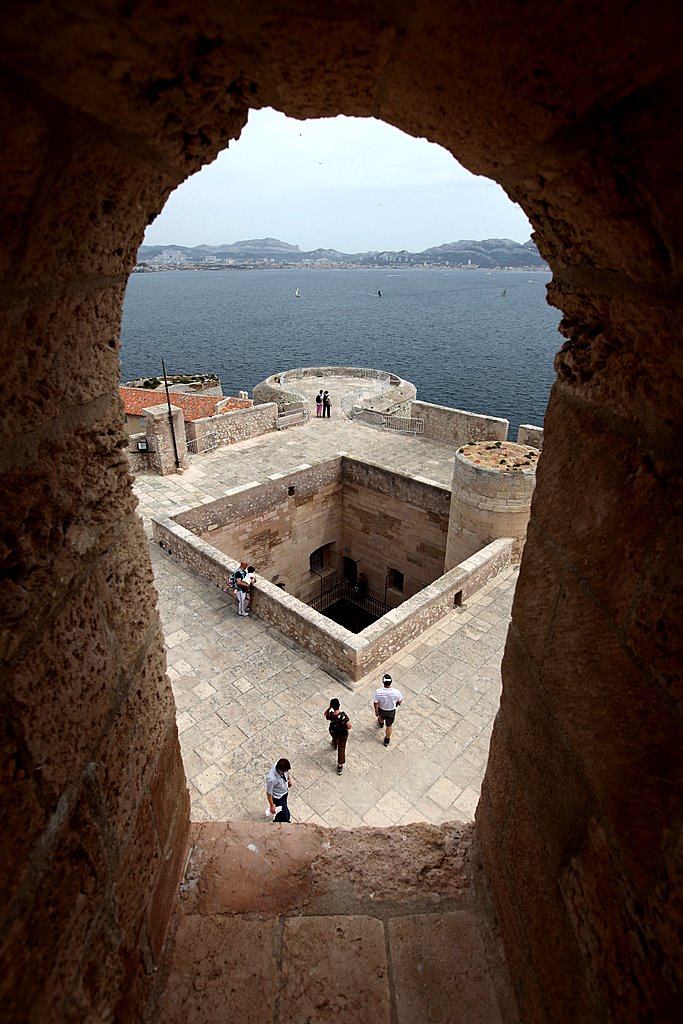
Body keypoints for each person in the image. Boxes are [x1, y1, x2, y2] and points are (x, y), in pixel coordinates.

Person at [374, 672, 403, 746]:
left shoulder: (378, 692)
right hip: (391, 711)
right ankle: (387, 739)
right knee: (389, 726)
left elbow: (376, 702)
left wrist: (376, 711)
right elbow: (400, 700)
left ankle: (381, 723)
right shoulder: (396, 692)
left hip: (382, 709)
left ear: (383, 682)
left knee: (381, 717)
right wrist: (397, 703)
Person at [324, 698, 352, 774]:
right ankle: (340, 766)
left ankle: (335, 745)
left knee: (334, 738)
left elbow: (325, 715)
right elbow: (349, 726)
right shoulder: (343, 716)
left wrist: (329, 708)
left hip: (334, 732)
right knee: (341, 748)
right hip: (342, 734)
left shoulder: (331, 715)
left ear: (332, 706)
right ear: (339, 705)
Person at [265, 757, 293, 822]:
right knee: (286, 817)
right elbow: (269, 793)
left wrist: (289, 779)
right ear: (279, 770)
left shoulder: (280, 764)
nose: (286, 772)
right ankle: (277, 822)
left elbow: (287, 772)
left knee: (282, 810)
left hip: (284, 792)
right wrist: (272, 806)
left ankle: (279, 815)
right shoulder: (271, 779)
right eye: (284, 771)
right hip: (278, 798)